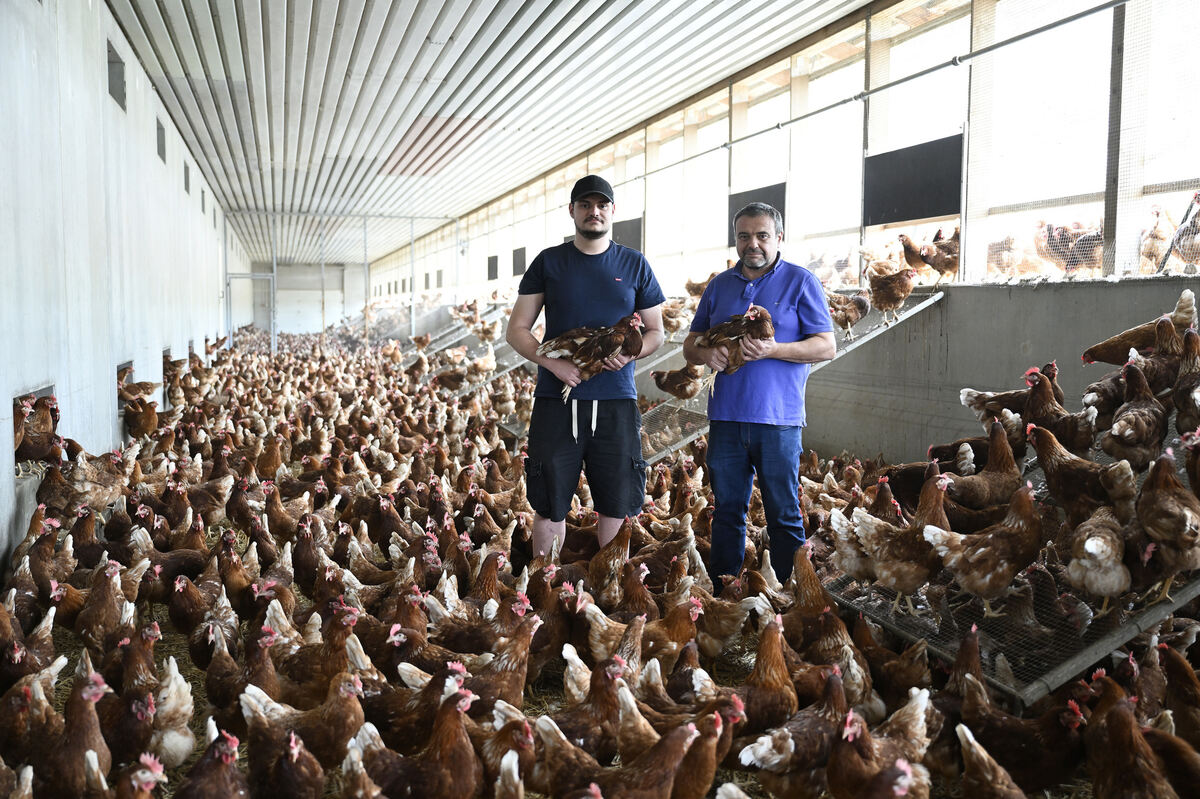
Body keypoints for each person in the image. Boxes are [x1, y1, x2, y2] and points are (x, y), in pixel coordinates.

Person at [506, 175, 666, 556]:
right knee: (550, 502)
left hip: (616, 401)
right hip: (557, 399)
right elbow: (516, 330)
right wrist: (551, 364)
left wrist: (630, 354)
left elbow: (657, 332)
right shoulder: (550, 262)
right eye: (585, 205)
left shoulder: (634, 264)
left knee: (616, 503)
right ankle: (545, 580)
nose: (594, 211)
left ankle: (611, 583)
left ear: (612, 210)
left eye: (601, 205)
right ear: (572, 211)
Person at [682, 202, 835, 586]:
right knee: (727, 512)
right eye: (744, 236)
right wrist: (705, 353)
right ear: (736, 240)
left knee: (784, 514)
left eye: (762, 235)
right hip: (726, 418)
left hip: (778, 421)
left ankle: (787, 594)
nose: (753, 243)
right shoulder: (719, 285)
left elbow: (826, 346)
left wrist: (774, 349)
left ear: (778, 237)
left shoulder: (801, 281)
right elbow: (690, 344)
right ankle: (724, 590)